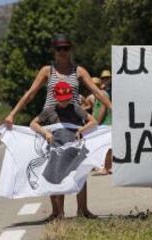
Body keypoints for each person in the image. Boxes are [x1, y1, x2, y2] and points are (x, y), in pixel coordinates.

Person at [4, 33, 109, 218]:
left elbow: (97, 92)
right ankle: (56, 212)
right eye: (59, 48)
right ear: (54, 50)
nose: (62, 52)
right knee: (54, 168)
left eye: (66, 48)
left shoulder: (79, 71)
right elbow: (30, 93)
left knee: (81, 167)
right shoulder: (47, 71)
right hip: (52, 124)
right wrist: (13, 114)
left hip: (76, 123)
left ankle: (82, 210)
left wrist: (114, 109)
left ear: (70, 49)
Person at [30, 81, 97, 220]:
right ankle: (58, 213)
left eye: (66, 99)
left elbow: (93, 121)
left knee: (80, 178)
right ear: (54, 97)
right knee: (56, 179)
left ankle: (83, 210)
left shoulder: (76, 108)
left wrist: (82, 129)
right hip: (56, 149)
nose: (64, 102)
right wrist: (45, 132)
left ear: (70, 96)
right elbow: (33, 123)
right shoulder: (49, 110)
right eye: (61, 100)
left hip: (75, 148)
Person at [94, 70, 112, 174]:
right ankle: (107, 167)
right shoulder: (102, 93)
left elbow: (102, 109)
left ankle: (105, 167)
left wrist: (97, 122)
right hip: (105, 122)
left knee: (104, 146)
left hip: (104, 123)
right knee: (106, 146)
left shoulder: (102, 93)